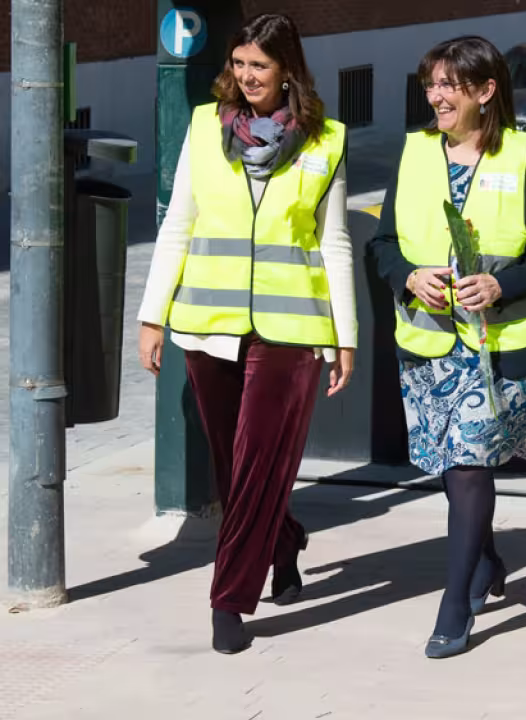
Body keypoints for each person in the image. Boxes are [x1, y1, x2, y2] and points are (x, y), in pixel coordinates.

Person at [136, 13, 355, 655]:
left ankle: (229, 600)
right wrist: (153, 316)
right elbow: (178, 222)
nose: (246, 77)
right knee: (235, 467)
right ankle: (282, 545)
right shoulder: (206, 128)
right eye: (238, 64)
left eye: (259, 65)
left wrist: (347, 338)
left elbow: (335, 243)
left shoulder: (327, 139)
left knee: (261, 462)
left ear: (288, 68)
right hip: (207, 325)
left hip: (292, 329)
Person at [369, 35, 526, 660]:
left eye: (449, 85)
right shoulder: (415, 154)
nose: (436, 96)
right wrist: (407, 274)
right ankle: (484, 561)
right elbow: (383, 244)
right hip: (429, 344)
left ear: (485, 91)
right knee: (452, 469)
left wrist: (500, 285)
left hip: (500, 348)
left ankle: (455, 605)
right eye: (431, 83)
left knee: (470, 465)